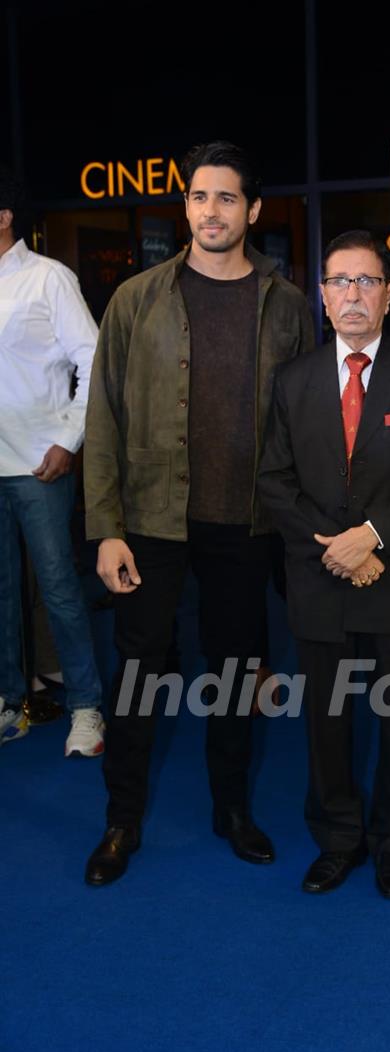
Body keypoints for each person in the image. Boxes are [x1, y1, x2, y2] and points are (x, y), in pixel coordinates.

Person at [82, 141, 315, 886]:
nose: (209, 211)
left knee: (237, 671)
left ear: (251, 210)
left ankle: (231, 809)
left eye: (225, 198)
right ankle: (121, 819)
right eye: (196, 197)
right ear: (184, 207)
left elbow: (305, 422)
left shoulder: (287, 307)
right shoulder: (135, 299)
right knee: (138, 672)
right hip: (150, 520)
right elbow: (104, 418)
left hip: (247, 523)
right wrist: (106, 527)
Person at [258, 230, 390, 899]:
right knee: (328, 720)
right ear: (321, 295)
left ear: (389, 294)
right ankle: (339, 839)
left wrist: (370, 538)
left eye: (366, 281)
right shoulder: (293, 380)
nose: (351, 294)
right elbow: (275, 481)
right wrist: (339, 549)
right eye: (339, 281)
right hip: (319, 577)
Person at [0, 167, 104, 756]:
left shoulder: (48, 279)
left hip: (40, 466)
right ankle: (10, 701)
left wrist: (69, 438)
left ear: (5, 215)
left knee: (61, 589)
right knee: (1, 593)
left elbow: (92, 362)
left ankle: (86, 707)